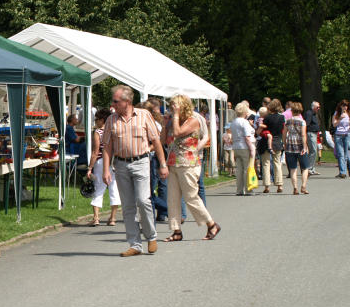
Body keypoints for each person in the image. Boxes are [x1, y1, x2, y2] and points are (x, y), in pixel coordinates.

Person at [101, 85, 168, 257]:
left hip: (141, 162)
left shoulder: (144, 115)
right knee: (128, 206)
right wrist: (106, 169)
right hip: (121, 165)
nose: (113, 104)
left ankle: (151, 236)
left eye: (116, 101)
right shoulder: (111, 120)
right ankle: (135, 245)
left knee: (143, 200)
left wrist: (162, 163)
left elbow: (156, 141)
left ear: (127, 102)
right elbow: (107, 146)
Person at [161, 95, 220, 241]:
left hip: (188, 163)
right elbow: (163, 140)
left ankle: (211, 224)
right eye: (171, 106)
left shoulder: (193, 120)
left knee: (190, 197)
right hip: (173, 162)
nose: (172, 108)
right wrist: (164, 124)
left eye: (175, 106)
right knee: (173, 198)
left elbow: (178, 133)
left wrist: (174, 117)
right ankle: (176, 231)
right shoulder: (174, 121)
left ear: (183, 106)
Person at [86, 109, 121, 226]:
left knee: (98, 188)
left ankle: (96, 217)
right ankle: (113, 218)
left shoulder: (98, 132)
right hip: (114, 162)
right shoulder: (114, 131)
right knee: (114, 189)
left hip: (101, 161)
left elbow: (95, 152)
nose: (95, 122)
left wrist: (90, 167)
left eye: (96, 119)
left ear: (102, 120)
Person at [229, 102, 256, 195]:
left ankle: (239, 190)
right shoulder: (244, 122)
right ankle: (248, 189)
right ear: (245, 112)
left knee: (239, 169)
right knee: (247, 168)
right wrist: (252, 148)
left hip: (236, 147)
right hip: (244, 146)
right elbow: (247, 137)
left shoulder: (233, 122)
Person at [282, 102, 310, 194]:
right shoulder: (302, 122)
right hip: (300, 145)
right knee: (305, 167)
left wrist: (285, 144)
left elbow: (284, 133)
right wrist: (305, 146)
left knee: (293, 168)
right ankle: (303, 186)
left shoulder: (288, 121)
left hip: (290, 145)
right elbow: (303, 134)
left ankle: (295, 188)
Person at [259, 99, 285, 193]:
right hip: (277, 141)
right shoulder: (282, 117)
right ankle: (279, 184)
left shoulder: (267, 118)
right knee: (277, 163)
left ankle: (267, 186)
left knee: (266, 163)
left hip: (266, 141)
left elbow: (262, 130)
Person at [332, 100, 350, 178]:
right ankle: (343, 173)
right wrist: (339, 118)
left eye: (346, 105)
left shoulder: (348, 114)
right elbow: (334, 124)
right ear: (340, 106)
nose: (345, 107)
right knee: (341, 154)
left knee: (346, 154)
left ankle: (345, 171)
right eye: (343, 105)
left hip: (347, 135)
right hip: (338, 135)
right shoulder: (336, 114)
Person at [303, 101, 321, 175]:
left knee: (314, 151)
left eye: (319, 107)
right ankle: (309, 168)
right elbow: (306, 124)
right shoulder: (309, 113)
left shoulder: (314, 114)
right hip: (310, 133)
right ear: (313, 107)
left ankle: (312, 168)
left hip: (314, 134)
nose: (318, 108)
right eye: (317, 107)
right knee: (313, 150)